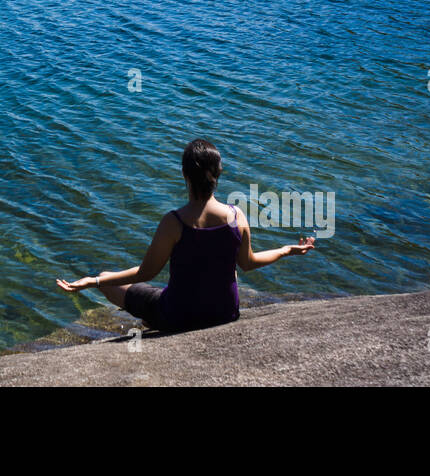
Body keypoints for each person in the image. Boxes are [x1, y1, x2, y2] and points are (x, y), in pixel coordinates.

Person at [57, 138, 315, 333]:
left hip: (179, 316)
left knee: (110, 280)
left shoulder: (175, 222)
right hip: (225, 313)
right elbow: (247, 263)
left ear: (184, 175)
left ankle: (153, 319)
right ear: (218, 175)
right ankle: (152, 319)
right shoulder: (237, 217)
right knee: (226, 269)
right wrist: (285, 250)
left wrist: (93, 281)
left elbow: (145, 273)